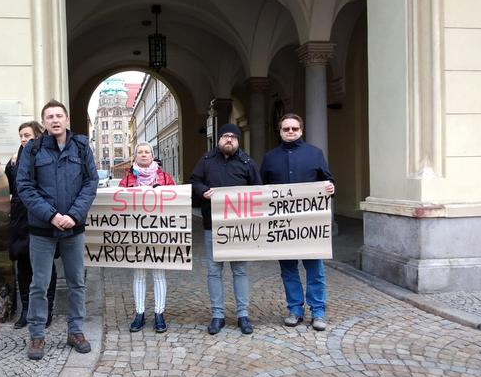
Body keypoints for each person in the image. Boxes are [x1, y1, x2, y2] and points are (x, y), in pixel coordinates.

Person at [17, 100, 98, 360]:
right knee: (39, 284)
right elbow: (25, 187)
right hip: (42, 228)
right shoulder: (32, 149)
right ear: (44, 122)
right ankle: (37, 335)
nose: (55, 120)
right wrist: (51, 215)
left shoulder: (82, 146)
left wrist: (73, 215)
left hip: (73, 228)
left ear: (67, 120)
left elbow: (90, 182)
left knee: (77, 282)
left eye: (59, 115)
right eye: (49, 116)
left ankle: (75, 331)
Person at [260, 113, 335, 331]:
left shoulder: (315, 154)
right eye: (286, 129)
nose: (290, 132)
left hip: (310, 226)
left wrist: (330, 186)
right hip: (282, 226)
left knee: (316, 270)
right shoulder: (270, 157)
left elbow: (328, 179)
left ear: (301, 130)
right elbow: (262, 189)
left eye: (294, 128)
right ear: (280, 131)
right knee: (289, 270)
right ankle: (295, 309)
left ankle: (318, 311)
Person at [190, 123, 262, 336]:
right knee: (214, 271)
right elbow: (194, 181)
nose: (229, 139)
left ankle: (243, 315)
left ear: (238, 141)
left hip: (239, 228)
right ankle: (217, 315)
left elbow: (259, 191)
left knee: (240, 271)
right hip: (213, 225)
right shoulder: (206, 161)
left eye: (233, 136)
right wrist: (203, 192)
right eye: (225, 136)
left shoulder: (248, 163)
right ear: (218, 139)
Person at [5, 121, 57, 329]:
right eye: (21, 136)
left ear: (38, 135)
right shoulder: (14, 161)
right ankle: (26, 311)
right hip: (20, 218)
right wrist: (9, 168)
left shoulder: (47, 156)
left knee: (45, 267)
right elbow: (10, 188)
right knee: (23, 266)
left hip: (41, 216)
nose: (24, 139)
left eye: (27, 135)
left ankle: (47, 310)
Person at [119, 142, 175, 333]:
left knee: (159, 274)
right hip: (136, 234)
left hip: (159, 233)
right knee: (139, 274)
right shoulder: (126, 180)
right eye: (140, 152)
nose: (144, 155)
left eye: (147, 152)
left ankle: (160, 314)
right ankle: (139, 313)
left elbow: (176, 203)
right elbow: (117, 206)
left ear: (152, 155)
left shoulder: (165, 178)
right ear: (135, 156)